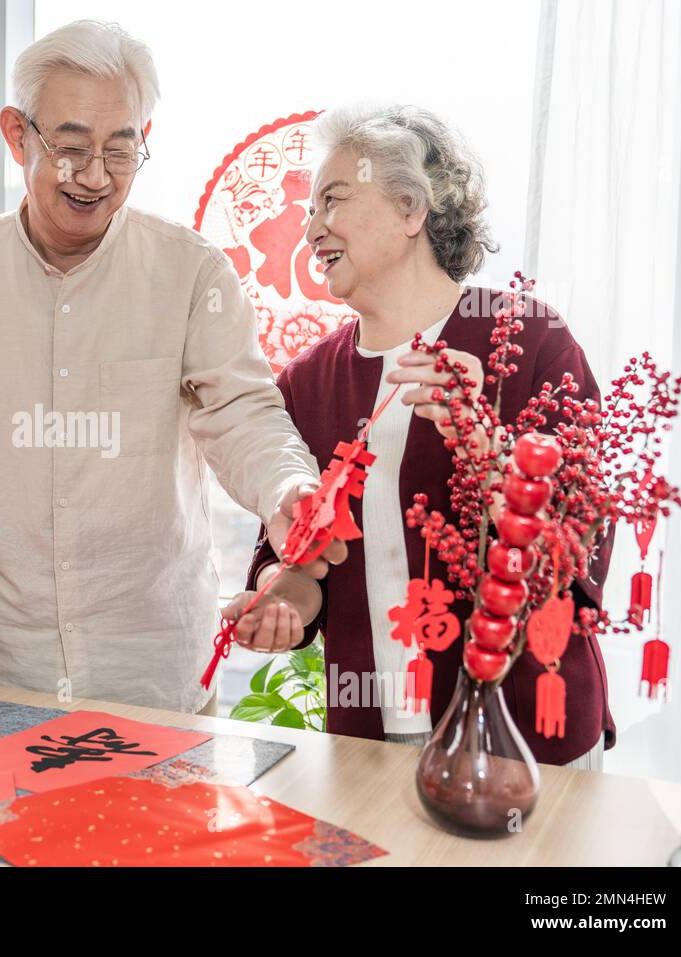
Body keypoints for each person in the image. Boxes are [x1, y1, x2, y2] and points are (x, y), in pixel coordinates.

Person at [0, 20, 337, 715]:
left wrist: (289, 491)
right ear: (16, 135)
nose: (94, 176)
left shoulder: (190, 273)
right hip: (1, 673)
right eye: (70, 148)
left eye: (121, 151)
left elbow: (243, 415)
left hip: (154, 678)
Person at [226, 104, 613, 767]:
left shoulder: (530, 342)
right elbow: (296, 558)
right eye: (309, 209)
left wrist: (490, 456)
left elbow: (578, 549)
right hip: (369, 743)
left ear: (412, 210)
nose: (311, 226)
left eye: (333, 201)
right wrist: (282, 599)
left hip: (526, 747)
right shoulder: (307, 381)